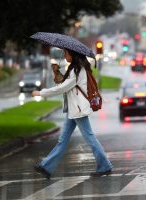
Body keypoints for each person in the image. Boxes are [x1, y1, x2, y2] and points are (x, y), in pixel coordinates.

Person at [32, 49, 113, 179]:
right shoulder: (73, 69)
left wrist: (41, 93)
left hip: (78, 111)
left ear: (73, 55)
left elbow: (62, 88)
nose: (64, 55)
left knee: (90, 138)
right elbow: (63, 83)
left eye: (66, 53)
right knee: (62, 140)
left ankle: (105, 166)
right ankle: (46, 167)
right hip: (73, 110)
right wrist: (56, 71)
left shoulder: (78, 70)